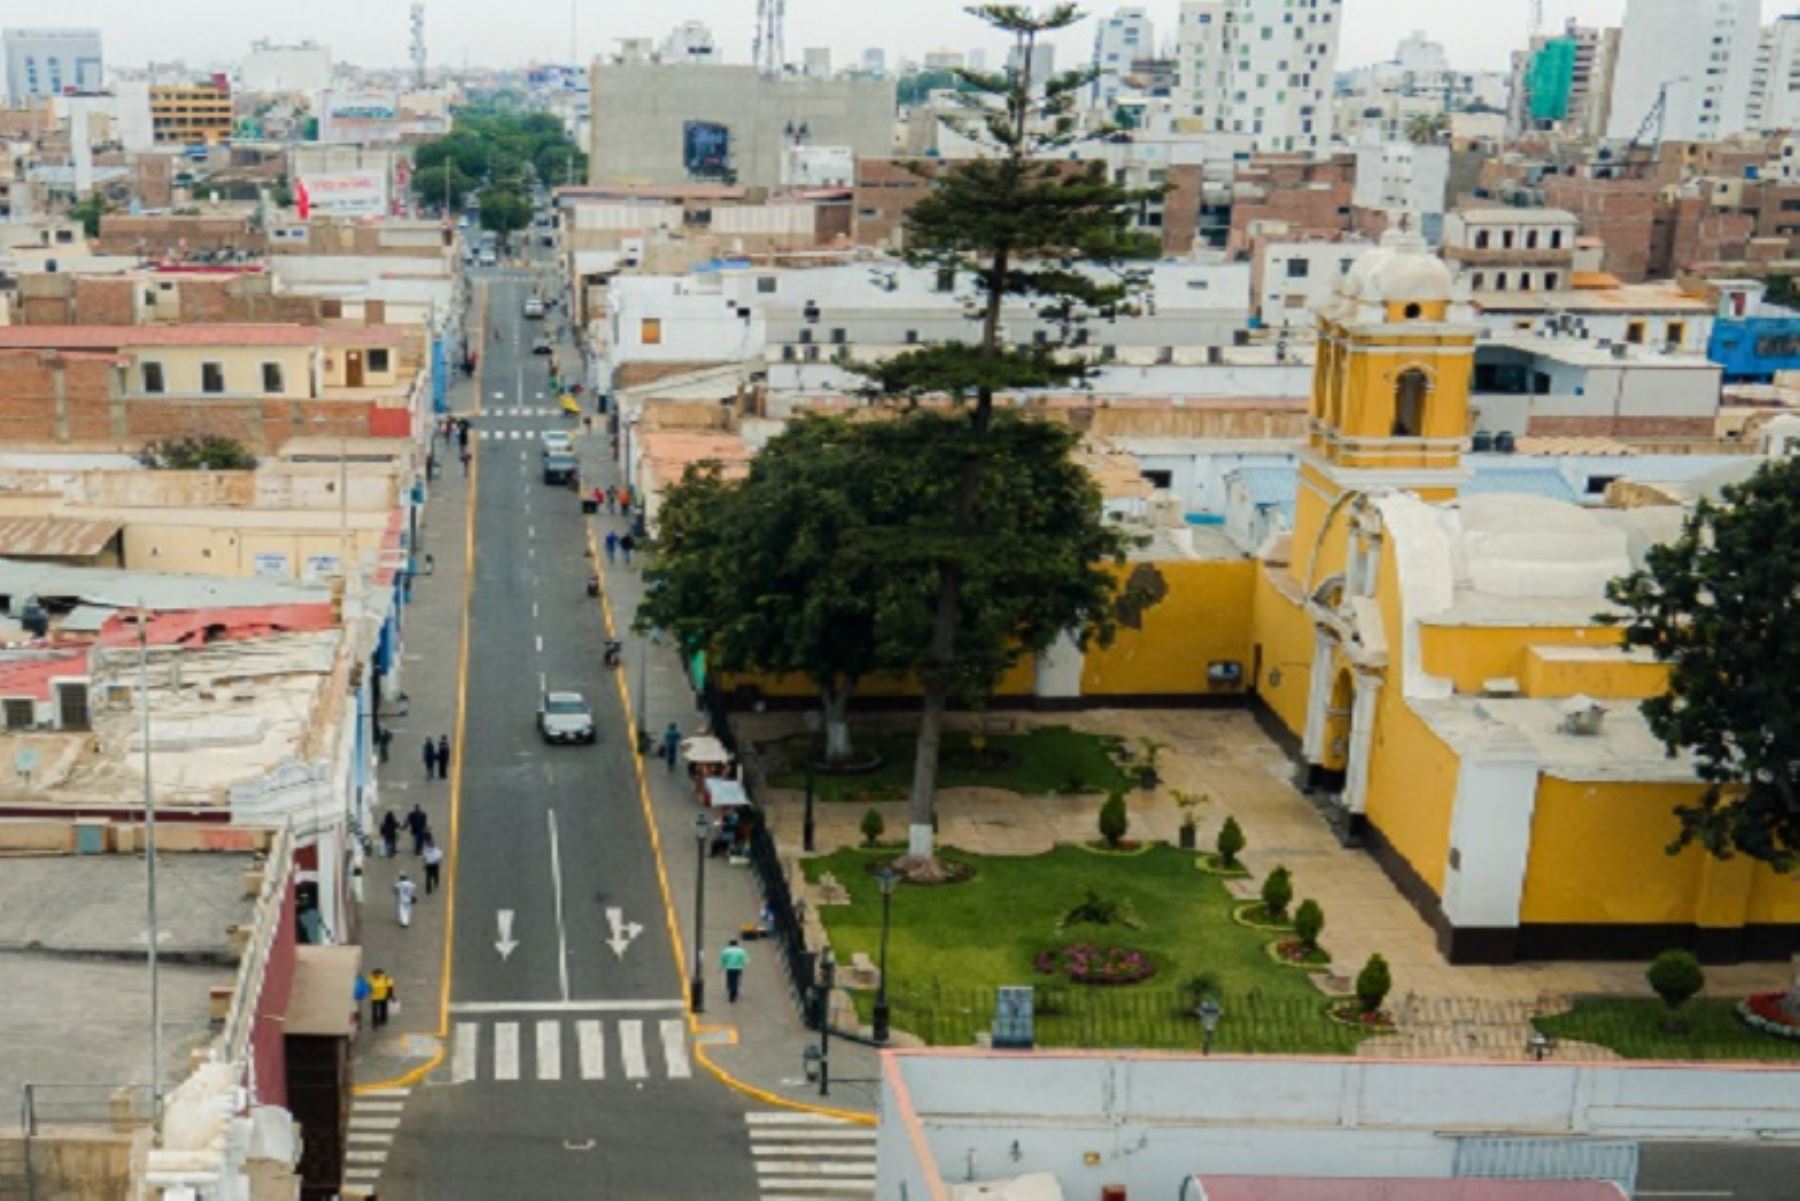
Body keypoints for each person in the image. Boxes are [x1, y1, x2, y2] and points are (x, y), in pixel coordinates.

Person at [720, 939, 748, 1004]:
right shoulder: (741, 951)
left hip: (729, 968)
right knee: (737, 979)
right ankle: (735, 991)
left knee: (730, 980)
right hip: (738, 968)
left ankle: (731, 992)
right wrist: (743, 964)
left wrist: (721, 966)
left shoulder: (726, 951)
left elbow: (723, 959)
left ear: (729, 944)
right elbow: (745, 960)